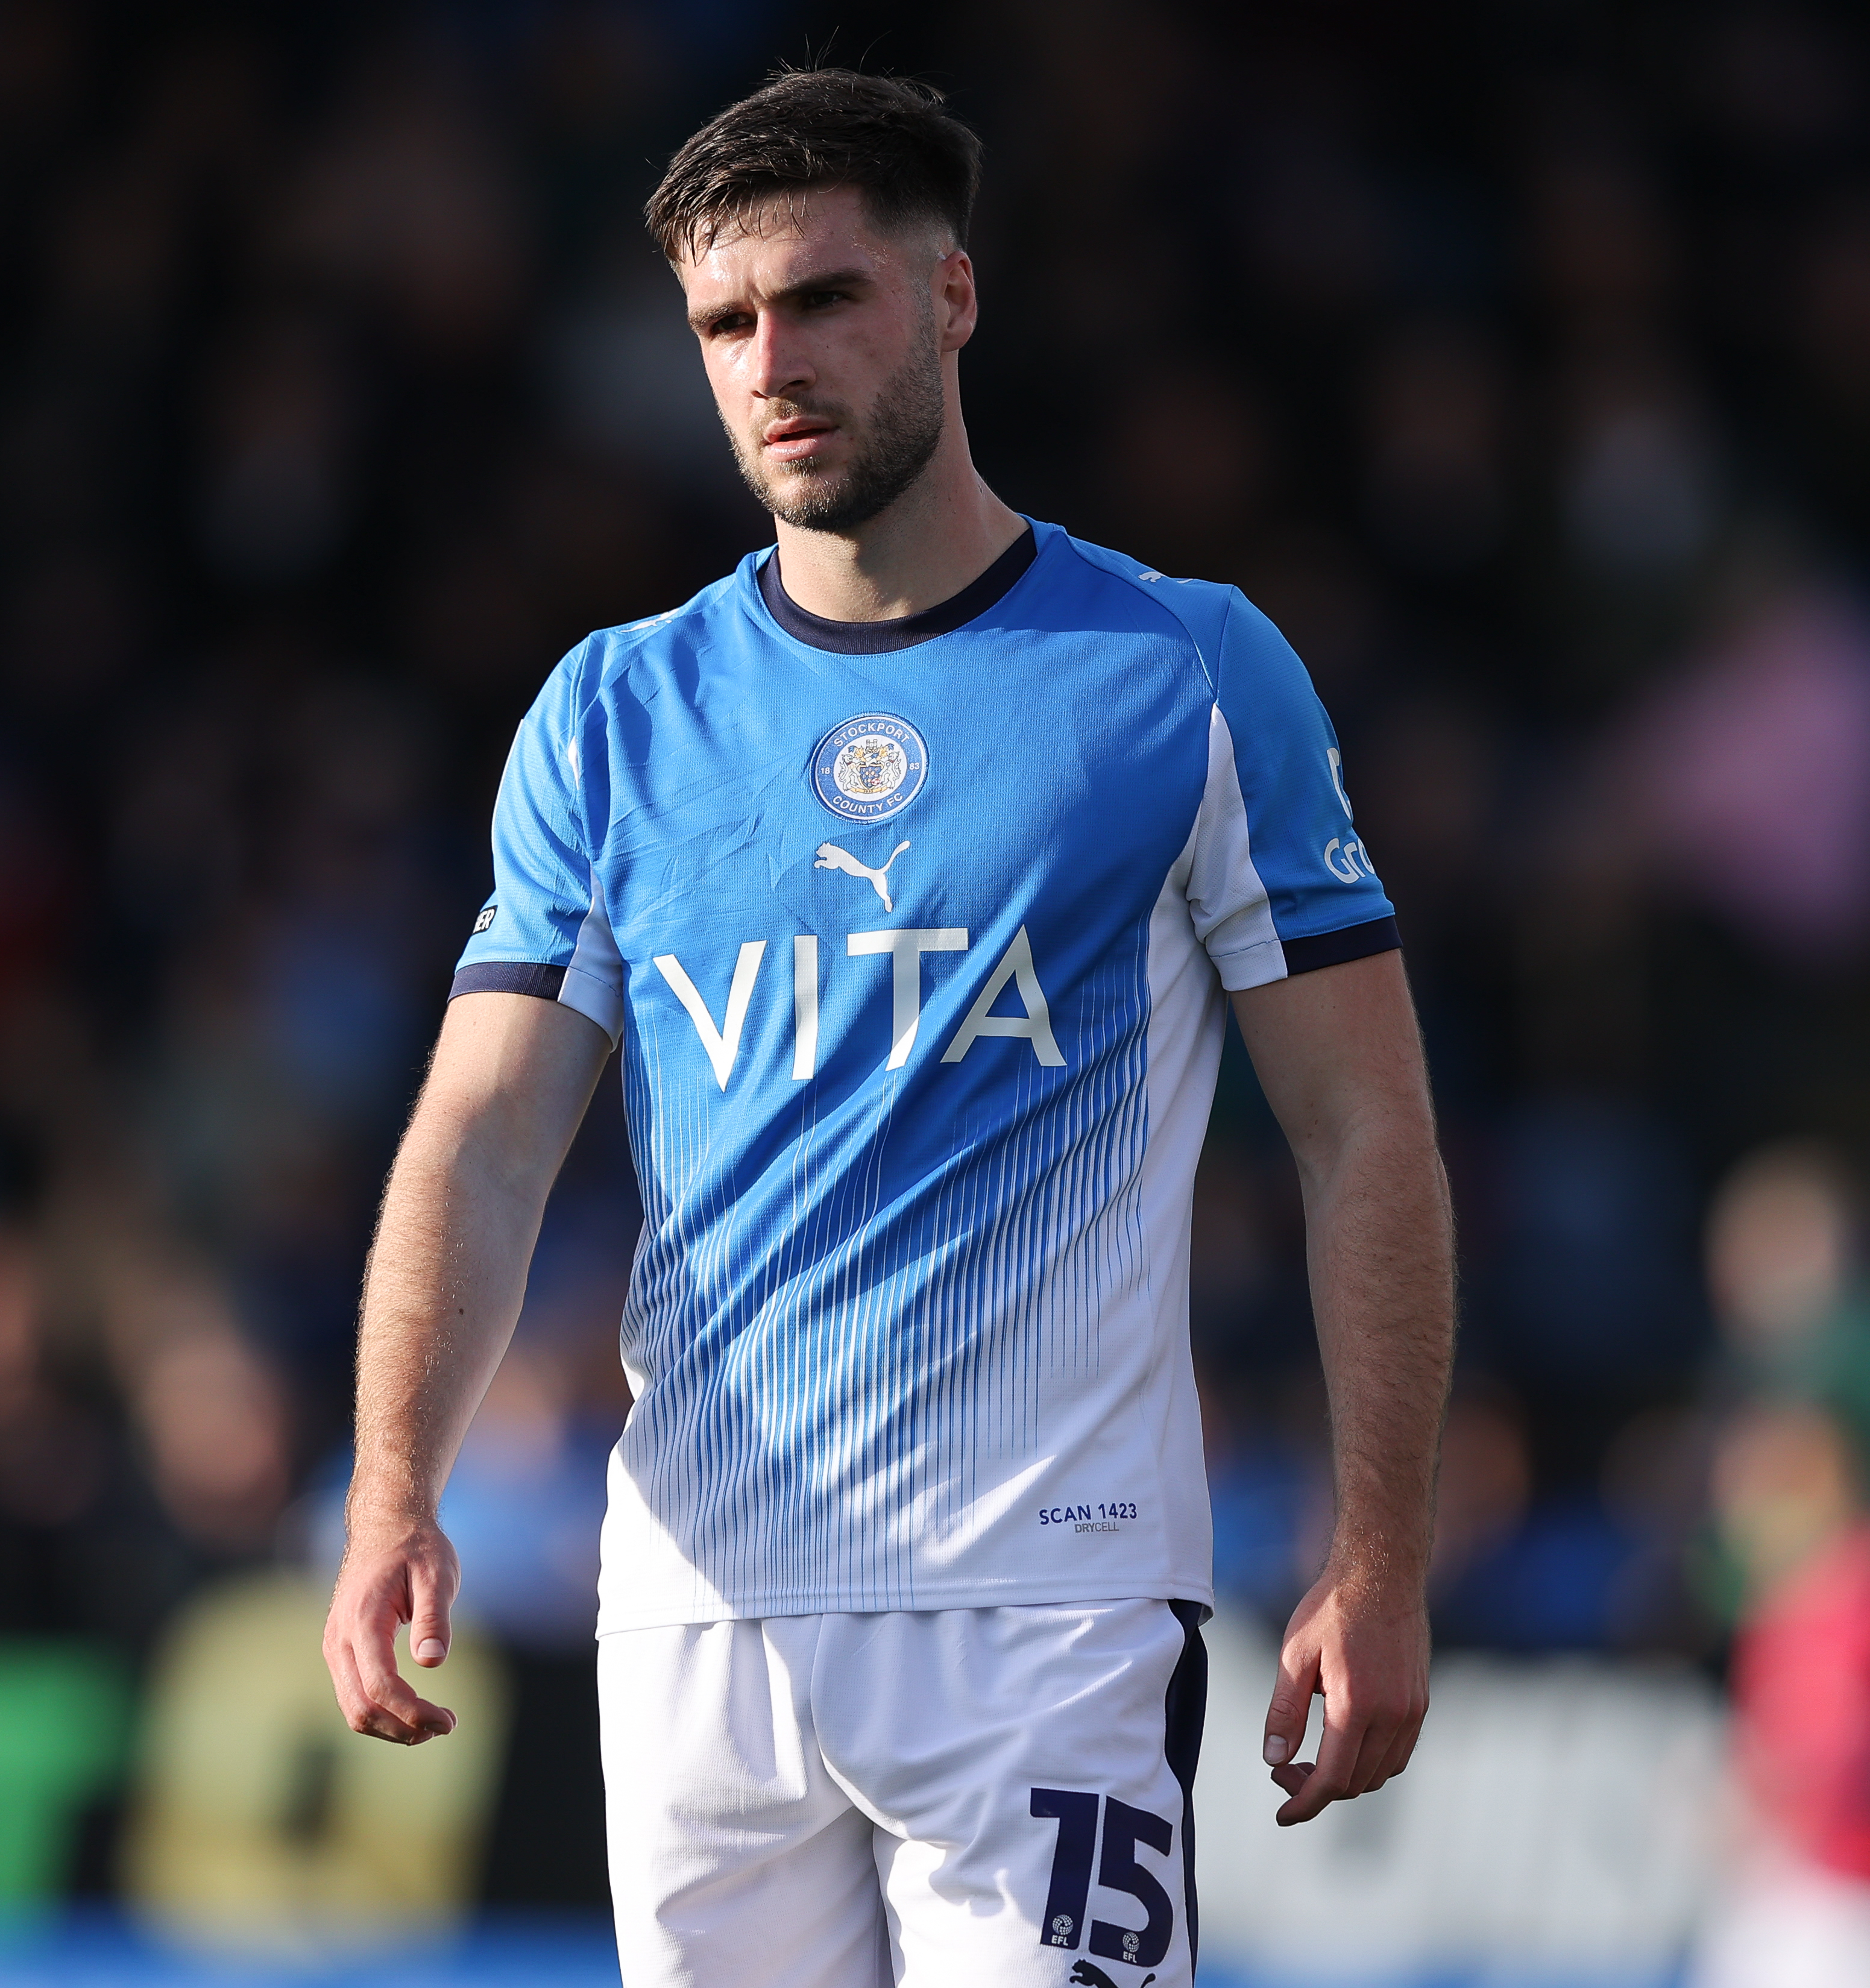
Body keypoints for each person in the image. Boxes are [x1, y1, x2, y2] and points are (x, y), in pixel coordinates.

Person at [321, 67, 1454, 1988]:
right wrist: (390, 1488)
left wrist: (1380, 1552)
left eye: (822, 298)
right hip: (695, 1621)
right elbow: (482, 1138)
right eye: (723, 322)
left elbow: (1366, 1129)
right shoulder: (612, 716)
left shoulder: (1183, 671)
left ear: (950, 297)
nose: (771, 362)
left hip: (1047, 1607)